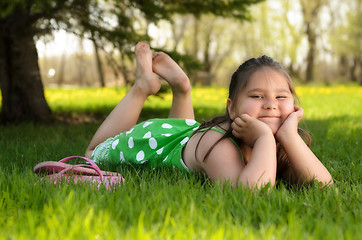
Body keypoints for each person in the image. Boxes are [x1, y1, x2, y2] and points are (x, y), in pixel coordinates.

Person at [85, 42, 333, 189]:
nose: (270, 105)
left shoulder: (283, 142)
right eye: (257, 96)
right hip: (156, 141)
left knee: (186, 128)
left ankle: (182, 88)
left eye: (281, 97)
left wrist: (289, 136)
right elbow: (249, 194)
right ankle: (143, 87)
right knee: (93, 153)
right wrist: (264, 139)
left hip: (185, 134)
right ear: (232, 108)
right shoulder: (219, 144)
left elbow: (323, 186)